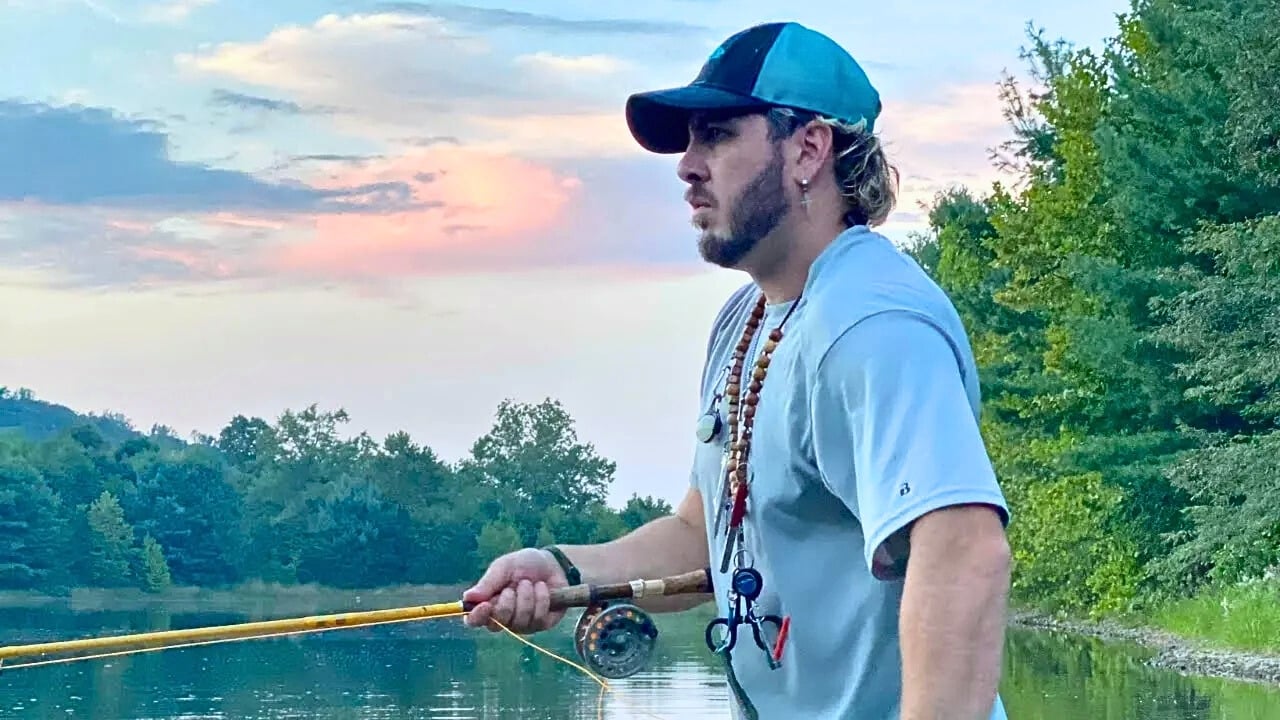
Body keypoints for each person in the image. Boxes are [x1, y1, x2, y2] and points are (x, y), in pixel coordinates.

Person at [463, 21, 1013, 720]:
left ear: (808, 149)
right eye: (690, 140)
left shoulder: (872, 323)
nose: (687, 166)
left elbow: (965, 550)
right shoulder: (747, 319)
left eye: (718, 135)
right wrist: (566, 569)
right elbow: (703, 535)